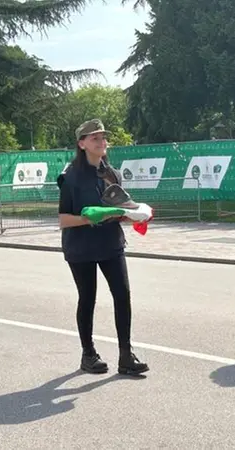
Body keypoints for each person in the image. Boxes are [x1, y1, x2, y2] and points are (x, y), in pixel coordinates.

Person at [56, 118, 148, 376]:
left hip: (110, 243)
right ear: (82, 144)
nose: (101, 141)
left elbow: (121, 207)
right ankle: (88, 354)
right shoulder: (70, 177)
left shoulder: (113, 174)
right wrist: (91, 217)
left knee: (122, 295)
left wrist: (134, 215)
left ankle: (126, 356)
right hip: (81, 247)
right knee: (88, 298)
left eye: (103, 137)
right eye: (95, 138)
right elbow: (63, 220)